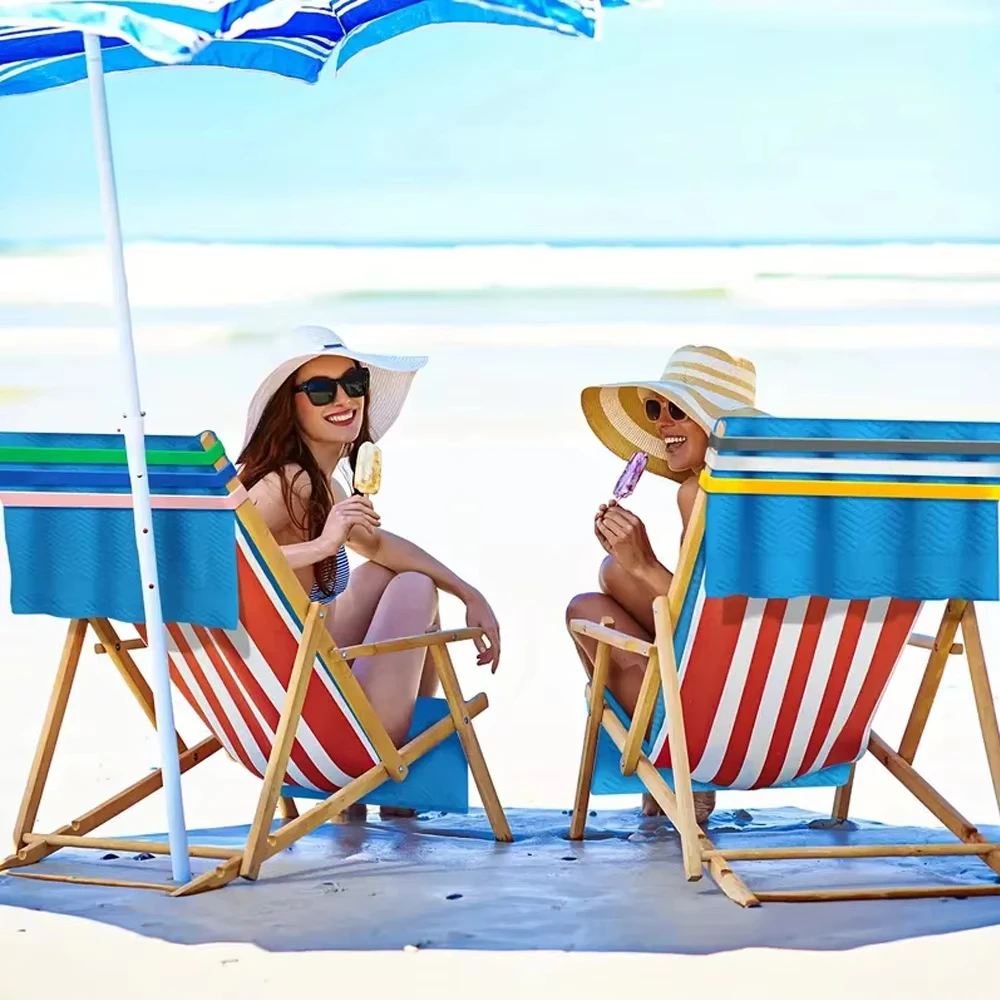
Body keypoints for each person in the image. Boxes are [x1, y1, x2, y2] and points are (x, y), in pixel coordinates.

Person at [238, 327, 502, 817]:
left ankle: (391, 781)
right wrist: (322, 544)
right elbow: (229, 562)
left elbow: (381, 547)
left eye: (354, 384)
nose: (344, 400)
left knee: (388, 574)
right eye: (321, 390)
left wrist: (469, 592)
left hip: (293, 711)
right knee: (417, 588)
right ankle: (397, 766)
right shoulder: (286, 482)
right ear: (288, 407)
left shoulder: (320, 485)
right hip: (315, 723)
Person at [565, 345, 761, 826]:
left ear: (715, 424)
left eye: (678, 410)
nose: (660, 424)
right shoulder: (772, 495)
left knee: (584, 615)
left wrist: (647, 562)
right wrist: (632, 562)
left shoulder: (701, 494)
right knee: (611, 576)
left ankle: (677, 771)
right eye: (656, 409)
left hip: (719, 716)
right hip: (785, 706)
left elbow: (714, 631)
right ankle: (665, 774)